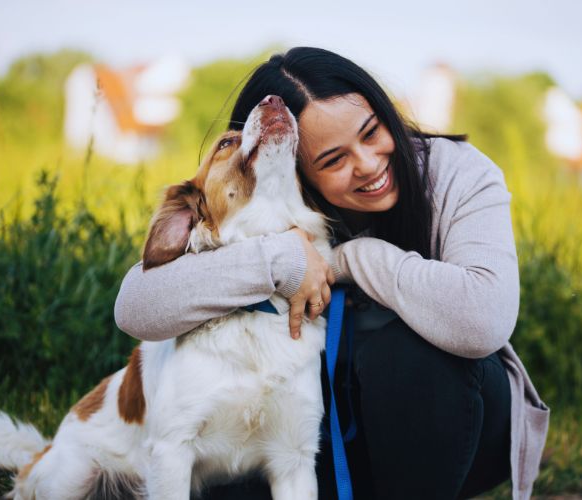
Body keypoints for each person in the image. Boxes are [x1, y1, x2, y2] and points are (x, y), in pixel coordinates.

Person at [114, 47, 549, 500]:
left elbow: (484, 319)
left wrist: (349, 260)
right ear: (295, 167)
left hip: (458, 427)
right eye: (334, 161)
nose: (368, 164)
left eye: (372, 132)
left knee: (407, 354)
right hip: (319, 441)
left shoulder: (459, 173)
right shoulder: (280, 211)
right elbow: (135, 307)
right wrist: (280, 259)